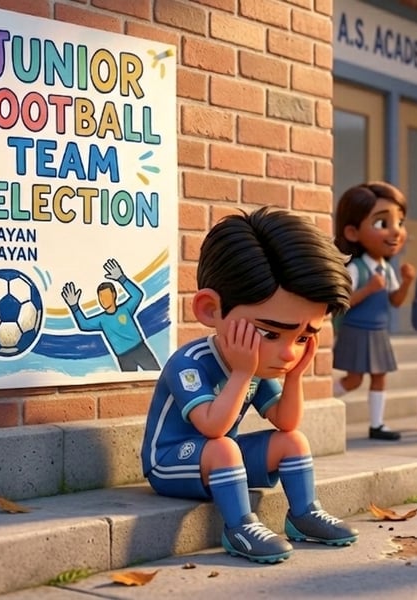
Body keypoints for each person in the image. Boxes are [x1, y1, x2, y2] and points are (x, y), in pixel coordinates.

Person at [140, 207, 358, 564]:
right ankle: (239, 526)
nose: (288, 351)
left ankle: (303, 514)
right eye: (270, 333)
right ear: (211, 309)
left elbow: (285, 422)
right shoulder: (189, 363)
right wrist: (242, 374)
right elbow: (212, 427)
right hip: (169, 462)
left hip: (222, 456)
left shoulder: (259, 365)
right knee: (224, 447)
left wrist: (295, 376)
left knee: (292, 441)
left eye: (303, 337)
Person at [331, 182, 415, 441]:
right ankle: (320, 398)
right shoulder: (357, 268)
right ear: (353, 232)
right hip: (357, 330)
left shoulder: (387, 269)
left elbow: (395, 301)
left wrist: (408, 282)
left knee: (380, 377)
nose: (395, 232)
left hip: (379, 331)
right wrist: (368, 289)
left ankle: (377, 424)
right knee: (354, 379)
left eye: (399, 223)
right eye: (382, 224)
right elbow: (343, 301)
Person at [61, 258, 160, 371]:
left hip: (140, 349)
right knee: (128, 384)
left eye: (106, 296)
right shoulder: (101, 320)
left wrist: (121, 278)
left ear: (114, 295)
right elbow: (84, 324)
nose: (103, 300)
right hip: (123, 356)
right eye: (101, 297)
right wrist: (74, 306)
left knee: (155, 374)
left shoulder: (125, 309)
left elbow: (137, 295)